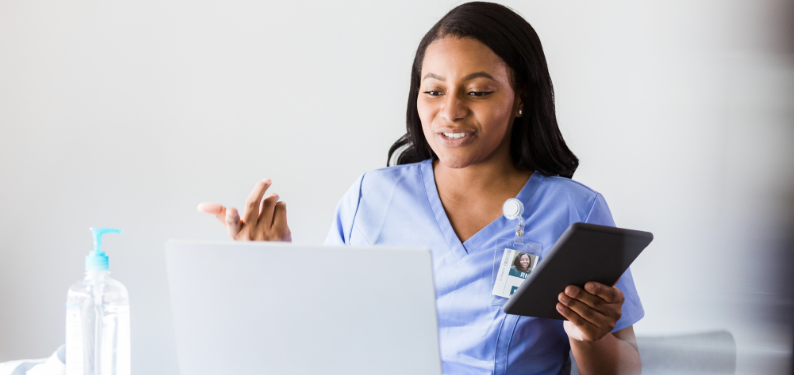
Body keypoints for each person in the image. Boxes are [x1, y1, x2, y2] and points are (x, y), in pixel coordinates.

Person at [197, 2, 643, 374]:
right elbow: (320, 338)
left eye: (479, 92)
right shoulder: (371, 198)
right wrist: (270, 268)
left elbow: (625, 367)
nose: (450, 111)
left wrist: (588, 336)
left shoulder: (574, 211)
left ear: (521, 97)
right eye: (434, 91)